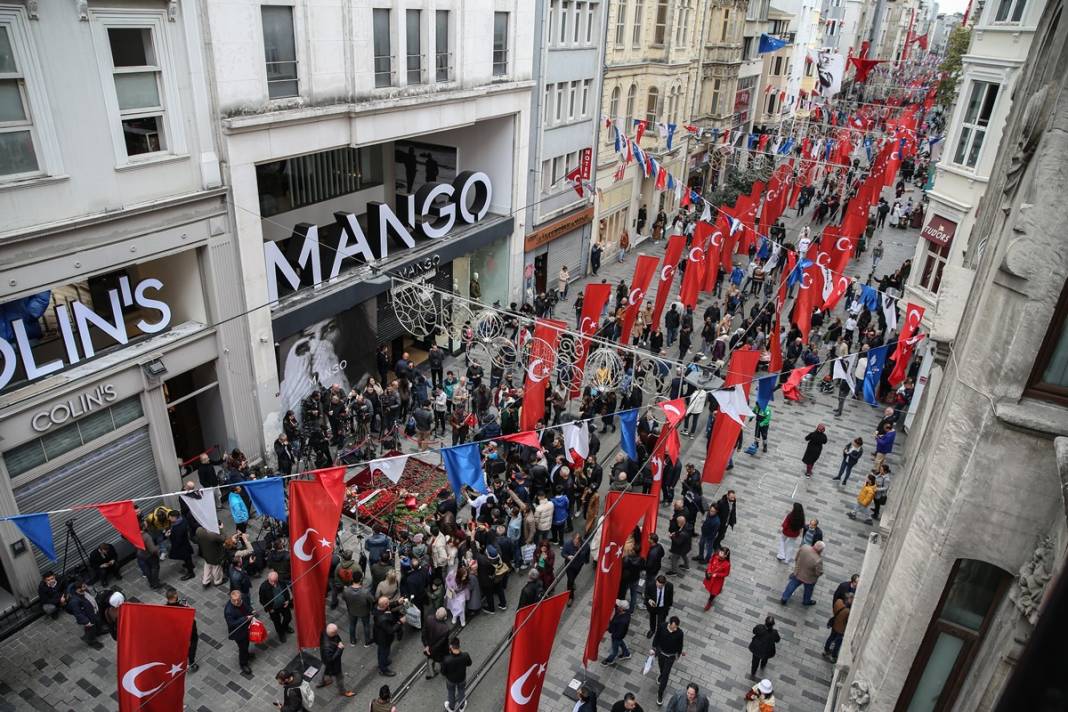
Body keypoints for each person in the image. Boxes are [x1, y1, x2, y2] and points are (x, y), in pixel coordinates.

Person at [651, 616, 685, 705]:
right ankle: (661, 675)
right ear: (669, 624)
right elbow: (656, 637)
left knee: (666, 674)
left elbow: (680, 644)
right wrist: (653, 648)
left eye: (676, 628)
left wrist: (679, 653)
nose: (674, 629)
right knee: (661, 668)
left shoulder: (680, 633)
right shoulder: (662, 626)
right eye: (673, 627)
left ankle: (660, 694)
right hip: (661, 653)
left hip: (670, 657)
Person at [780, 541, 825, 606]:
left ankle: (784, 598)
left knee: (791, 585)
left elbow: (796, 557)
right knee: (808, 590)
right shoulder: (818, 560)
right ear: (821, 550)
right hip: (809, 579)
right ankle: (806, 601)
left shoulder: (804, 547)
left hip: (798, 572)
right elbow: (819, 573)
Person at [318, 623, 355, 697]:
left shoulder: (325, 632)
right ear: (332, 633)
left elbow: (336, 637)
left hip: (324, 658)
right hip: (333, 665)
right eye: (336, 632)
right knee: (339, 677)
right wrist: (339, 649)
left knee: (323, 668)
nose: (337, 633)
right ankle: (342, 691)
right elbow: (331, 659)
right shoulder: (328, 647)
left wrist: (339, 641)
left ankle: (321, 682)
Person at [65, 579, 103, 649]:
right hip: (88, 617)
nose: (85, 588)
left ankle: (99, 631)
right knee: (91, 629)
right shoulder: (74, 601)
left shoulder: (83, 591)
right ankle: (91, 640)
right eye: (82, 587)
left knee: (97, 622)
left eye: (84, 586)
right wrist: (86, 621)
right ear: (77, 590)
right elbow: (78, 613)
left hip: (94, 611)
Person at [224, 590, 255, 675]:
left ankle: (247, 655)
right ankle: (243, 664)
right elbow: (231, 623)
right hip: (239, 632)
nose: (237, 602)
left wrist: (251, 611)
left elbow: (247, 606)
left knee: (246, 644)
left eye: (238, 599)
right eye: (234, 600)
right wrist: (245, 619)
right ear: (231, 599)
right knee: (243, 648)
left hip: (246, 627)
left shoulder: (243, 599)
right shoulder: (229, 611)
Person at [259, 570, 293, 644]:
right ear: (268, 579)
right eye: (272, 581)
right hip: (273, 609)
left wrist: (287, 600)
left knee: (288, 617)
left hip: (284, 605)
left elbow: (286, 591)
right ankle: (281, 634)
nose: (274, 583)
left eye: (275, 580)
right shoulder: (263, 587)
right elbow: (262, 600)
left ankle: (285, 627)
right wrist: (269, 609)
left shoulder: (281, 581)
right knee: (277, 622)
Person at [442, 636, 472, 712]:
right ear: (459, 645)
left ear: (451, 647)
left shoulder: (446, 659)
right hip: (462, 678)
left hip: (450, 680)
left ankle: (451, 708)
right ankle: (461, 706)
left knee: (451, 693)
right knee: (461, 691)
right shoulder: (465, 655)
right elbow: (469, 663)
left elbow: (443, 672)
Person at [373, 595, 401, 676]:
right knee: (384, 653)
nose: (389, 603)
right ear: (384, 605)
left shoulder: (378, 607)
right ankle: (383, 669)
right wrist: (400, 622)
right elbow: (391, 630)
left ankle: (383, 662)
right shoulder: (383, 619)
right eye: (388, 603)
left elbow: (388, 605)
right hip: (384, 639)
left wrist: (397, 602)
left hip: (379, 636)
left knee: (381, 651)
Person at [747, 616, 780, 680]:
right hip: (767, 651)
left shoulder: (760, 627)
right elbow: (777, 640)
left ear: (765, 622)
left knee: (755, 662)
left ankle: (753, 672)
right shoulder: (774, 632)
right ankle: (762, 666)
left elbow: (754, 631)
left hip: (756, 649)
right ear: (773, 624)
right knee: (765, 659)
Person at [423, 607, 452, 679]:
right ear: (445, 618)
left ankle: (430, 674)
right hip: (440, 651)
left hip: (429, 647)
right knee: (443, 661)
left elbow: (424, 633)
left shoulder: (429, 618)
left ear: (436, 612)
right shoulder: (445, 629)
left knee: (430, 660)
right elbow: (440, 644)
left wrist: (426, 646)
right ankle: (444, 671)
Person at [823, 592, 853, 663]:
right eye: (851, 599)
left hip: (834, 624)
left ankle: (826, 650)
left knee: (831, 637)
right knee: (838, 643)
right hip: (841, 629)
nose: (852, 601)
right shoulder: (847, 611)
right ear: (848, 599)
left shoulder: (838, 602)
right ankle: (833, 656)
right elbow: (848, 621)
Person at [601, 600, 632, 664]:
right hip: (619, 636)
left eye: (619, 606)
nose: (617, 607)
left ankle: (609, 660)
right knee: (620, 642)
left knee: (614, 650)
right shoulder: (624, 612)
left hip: (616, 636)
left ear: (622, 608)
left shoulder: (623, 621)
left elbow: (618, 631)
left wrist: (611, 632)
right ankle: (626, 654)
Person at [562, 533, 589, 606]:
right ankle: (570, 597)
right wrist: (567, 556)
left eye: (577, 542)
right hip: (570, 565)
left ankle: (572, 582)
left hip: (579, 565)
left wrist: (587, 560)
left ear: (580, 541)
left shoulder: (585, 544)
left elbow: (587, 552)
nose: (575, 544)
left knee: (573, 578)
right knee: (570, 580)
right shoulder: (567, 544)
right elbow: (563, 553)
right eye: (574, 542)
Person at [644, 574, 673, 638]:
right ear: (656, 581)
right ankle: (652, 630)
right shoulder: (651, 585)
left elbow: (670, 597)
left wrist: (669, 606)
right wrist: (649, 600)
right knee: (652, 619)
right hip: (653, 607)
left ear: (665, 583)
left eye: (661, 586)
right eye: (658, 585)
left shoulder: (670, 586)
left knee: (661, 623)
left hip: (662, 608)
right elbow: (646, 594)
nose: (659, 587)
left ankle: (659, 633)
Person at [702, 547, 731, 611]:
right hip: (710, 576)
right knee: (710, 588)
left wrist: (717, 574)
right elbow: (710, 562)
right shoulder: (715, 555)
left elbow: (726, 574)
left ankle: (710, 602)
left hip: (717, 581)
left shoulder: (727, 564)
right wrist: (709, 570)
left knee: (713, 592)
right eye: (720, 551)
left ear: (726, 556)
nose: (720, 553)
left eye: (722, 553)